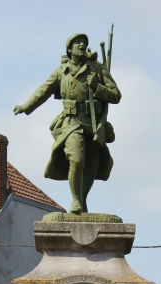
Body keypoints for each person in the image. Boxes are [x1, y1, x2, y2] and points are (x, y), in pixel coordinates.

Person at [14, 33, 121, 215]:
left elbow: (116, 95)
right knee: (76, 159)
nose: (81, 45)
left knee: (93, 166)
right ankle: (76, 201)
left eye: (84, 43)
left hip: (94, 124)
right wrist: (26, 106)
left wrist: (97, 86)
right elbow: (43, 91)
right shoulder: (61, 71)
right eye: (77, 42)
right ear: (69, 49)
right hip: (72, 122)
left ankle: (83, 200)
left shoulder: (97, 69)